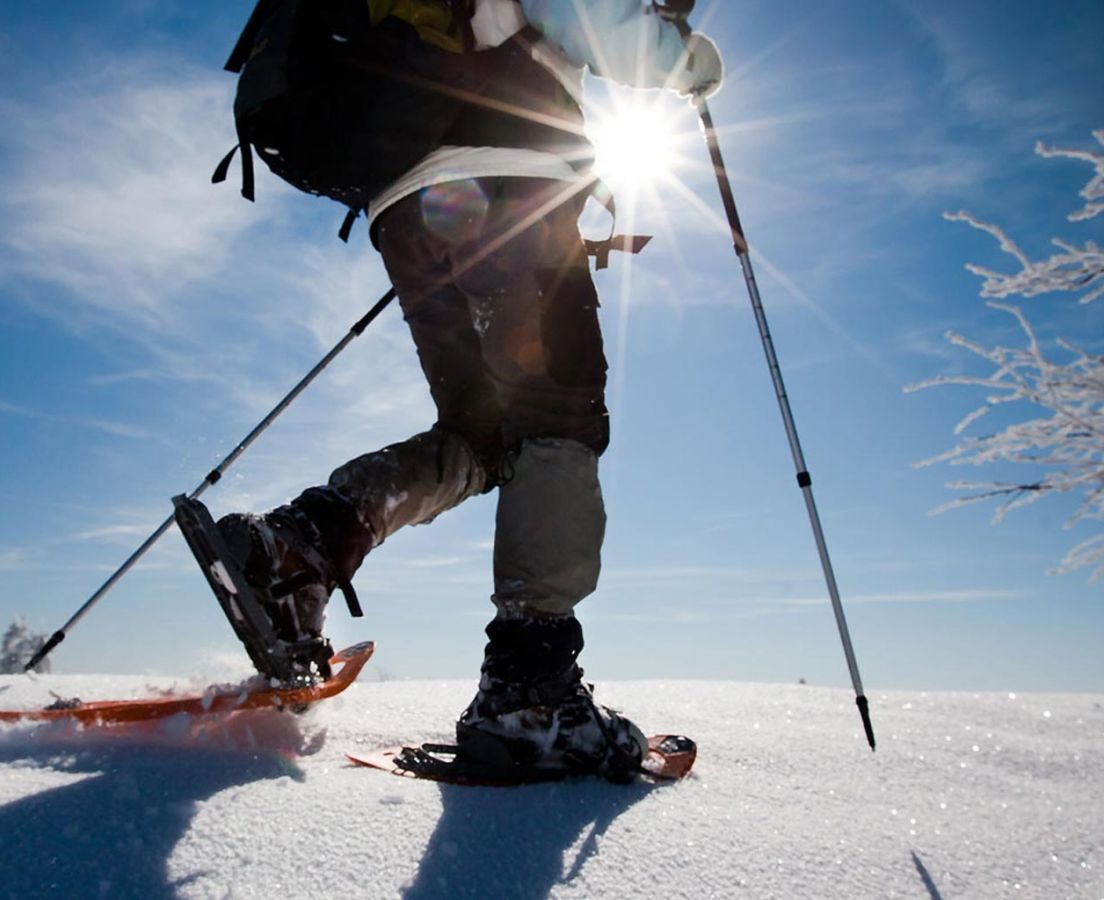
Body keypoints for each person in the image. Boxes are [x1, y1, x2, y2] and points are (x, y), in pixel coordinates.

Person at [213, 0, 723, 783]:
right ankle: (532, 695)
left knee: (482, 436)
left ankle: (300, 547)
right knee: (559, 417)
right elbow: (590, 20)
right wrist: (688, 59)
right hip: (500, 183)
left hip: (407, 200)